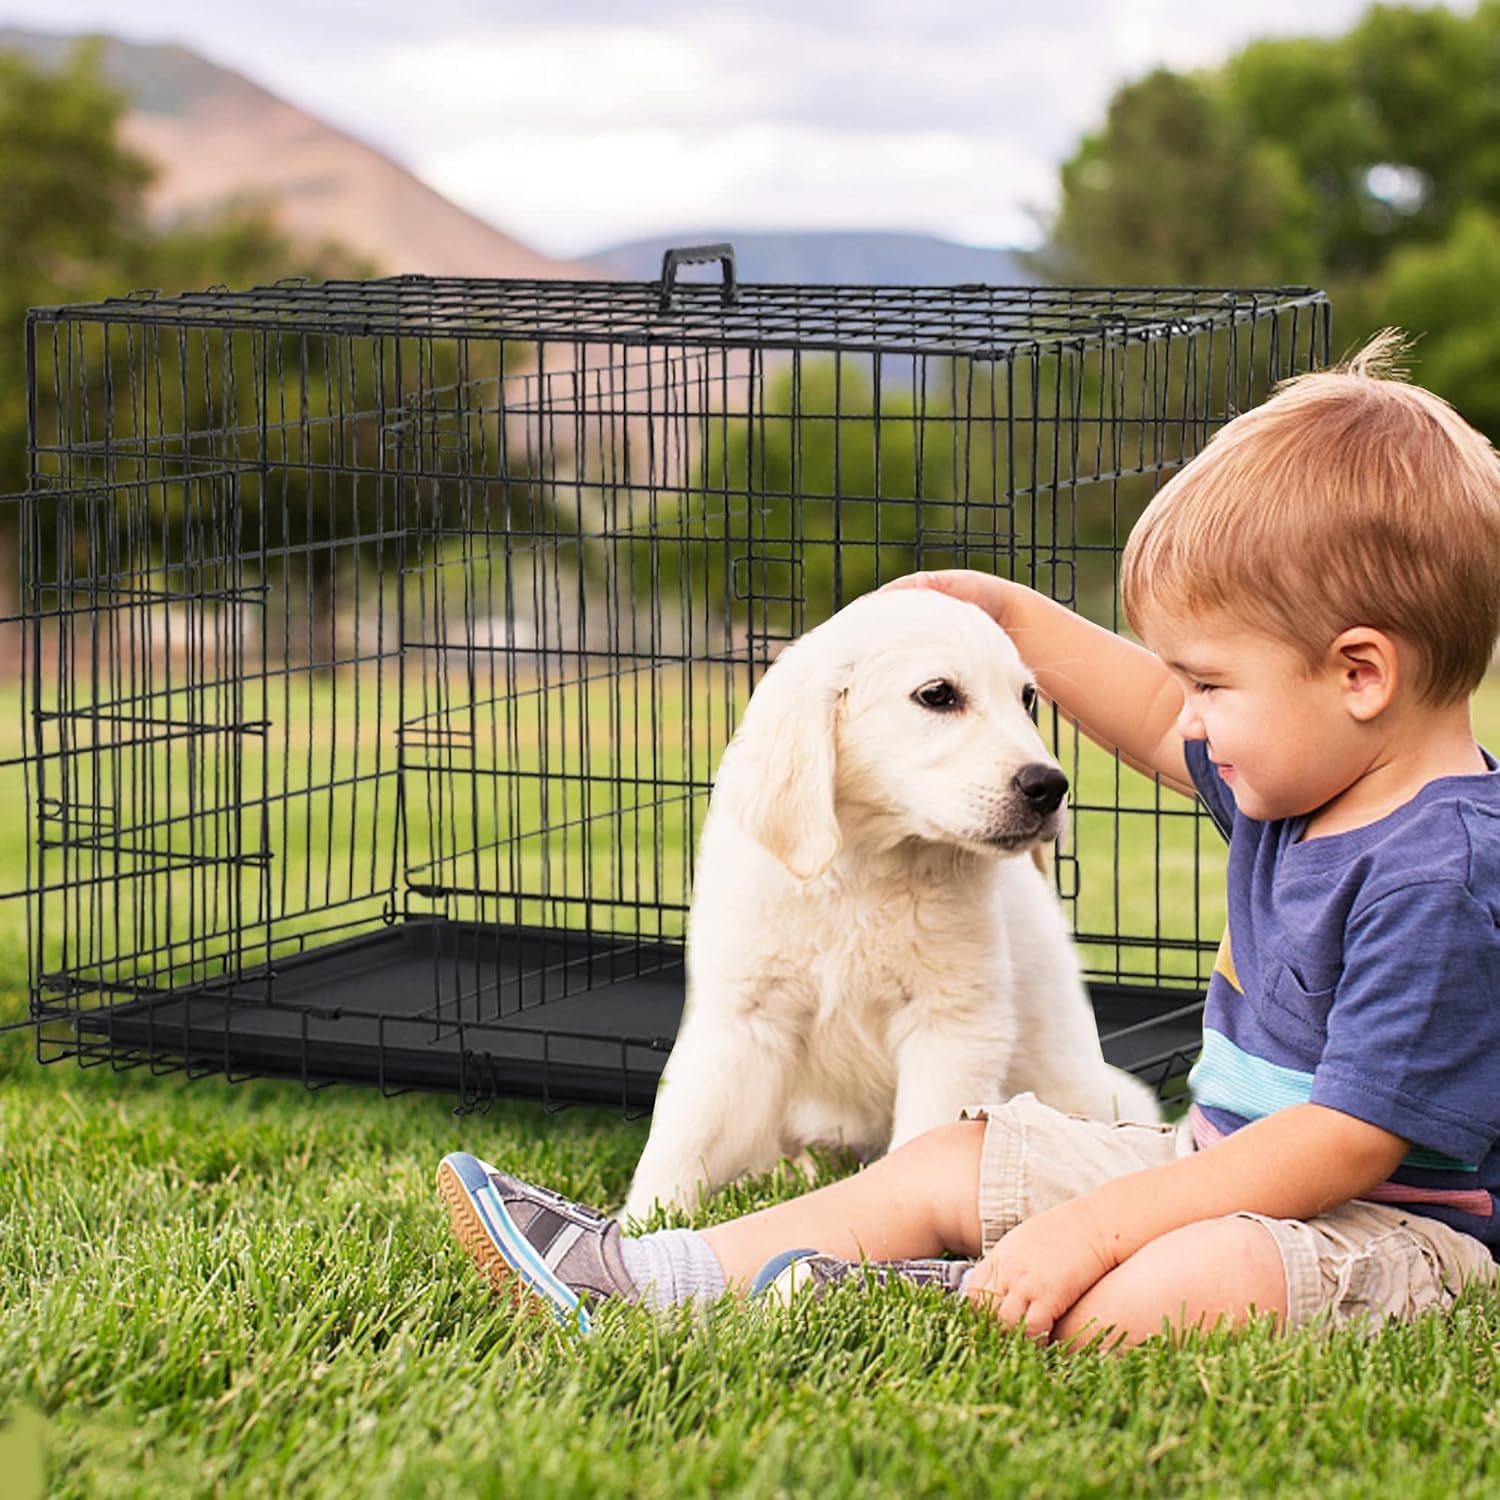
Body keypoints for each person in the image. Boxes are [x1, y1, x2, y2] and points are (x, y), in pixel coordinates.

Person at [437, 332, 1500, 1345]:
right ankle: (640, 1276)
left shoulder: (1438, 876)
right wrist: (1010, 615)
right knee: (948, 1157)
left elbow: (1344, 1143)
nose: (1185, 720)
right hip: (1207, 1167)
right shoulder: (1306, 774)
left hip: (1392, 1228)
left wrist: (1105, 1224)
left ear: (1361, 675)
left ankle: (910, 1295)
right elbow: (1136, 704)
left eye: (1211, 684)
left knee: (1179, 1283)